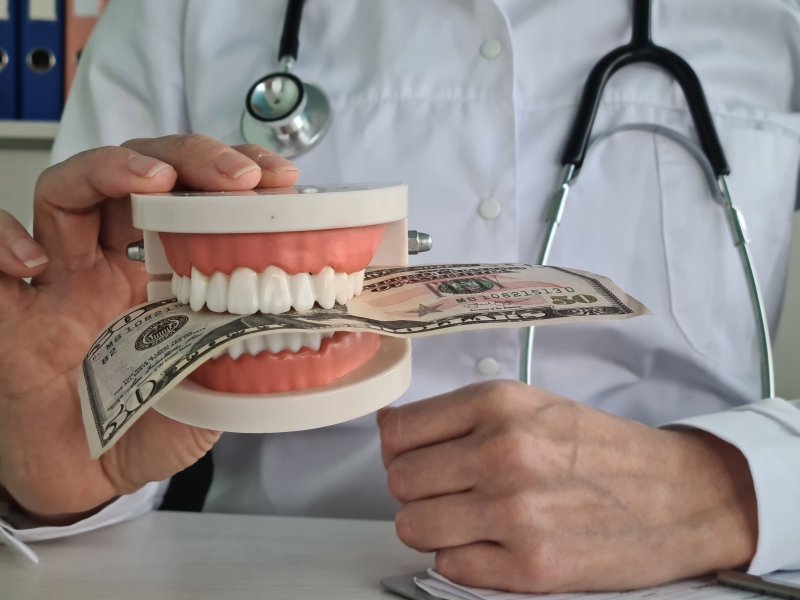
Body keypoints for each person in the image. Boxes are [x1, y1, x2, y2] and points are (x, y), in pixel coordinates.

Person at [1, 0, 800, 593]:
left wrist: (734, 490)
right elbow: (88, 331)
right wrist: (58, 479)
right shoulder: (177, 10)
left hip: (710, 579)